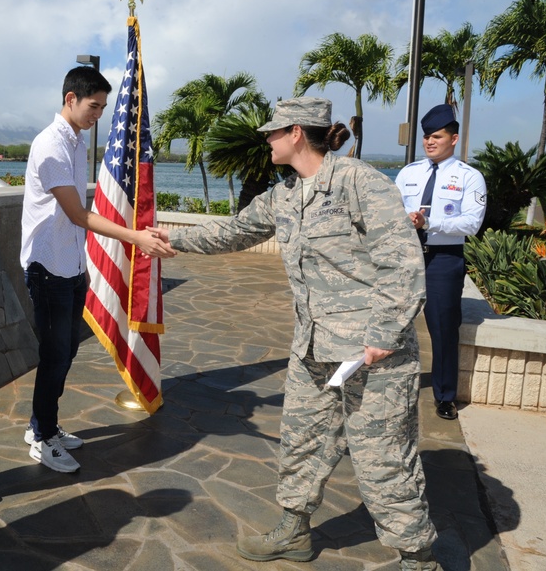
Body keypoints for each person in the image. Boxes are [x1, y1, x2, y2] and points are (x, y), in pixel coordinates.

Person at [150, 97, 439, 570]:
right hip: (313, 349)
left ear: (297, 133)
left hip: (372, 354)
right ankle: (294, 530)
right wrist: (169, 239)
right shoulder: (285, 194)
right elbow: (235, 231)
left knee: (383, 459)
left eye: (273, 132)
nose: (267, 140)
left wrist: (384, 334)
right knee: (301, 441)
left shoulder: (358, 182)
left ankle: (417, 556)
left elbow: (402, 262)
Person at [20, 65, 176, 473]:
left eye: (105, 107)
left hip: (69, 266)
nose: (99, 115)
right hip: (47, 268)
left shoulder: (75, 140)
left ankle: (42, 424)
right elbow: (77, 215)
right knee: (55, 355)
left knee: (67, 350)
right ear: (70, 98)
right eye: (94, 105)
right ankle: (42, 436)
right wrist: (136, 237)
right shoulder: (51, 144)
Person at [395, 103, 486, 420]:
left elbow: (471, 225)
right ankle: (388, 385)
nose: (429, 142)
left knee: (444, 329)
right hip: (406, 257)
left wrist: (429, 223)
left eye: (436, 136)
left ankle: (445, 395)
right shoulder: (408, 174)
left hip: (444, 261)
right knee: (391, 322)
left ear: (454, 138)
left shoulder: (469, 178)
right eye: (426, 138)